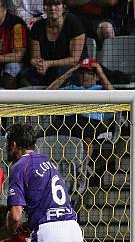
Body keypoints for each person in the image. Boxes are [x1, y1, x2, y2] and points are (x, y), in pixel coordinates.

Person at [47, 57, 114, 185]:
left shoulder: (100, 89)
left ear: (96, 76)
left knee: (86, 140)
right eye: (81, 73)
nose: (84, 76)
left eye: (88, 73)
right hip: (70, 120)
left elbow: (113, 94)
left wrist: (100, 73)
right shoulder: (72, 88)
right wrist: (70, 72)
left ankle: (81, 170)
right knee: (45, 134)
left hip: (91, 122)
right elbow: (48, 92)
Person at [20, 0, 86, 87]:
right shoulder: (37, 26)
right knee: (25, 76)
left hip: (72, 68)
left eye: (56, 5)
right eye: (48, 5)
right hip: (48, 67)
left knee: (60, 73)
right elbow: (34, 58)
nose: (52, 8)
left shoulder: (73, 23)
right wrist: (39, 64)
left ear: (63, 7)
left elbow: (74, 59)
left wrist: (48, 63)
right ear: (44, 8)